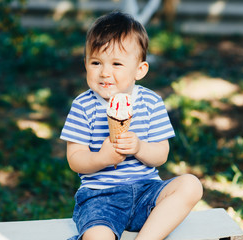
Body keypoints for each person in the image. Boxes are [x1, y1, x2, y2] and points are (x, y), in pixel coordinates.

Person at [60, 11, 203, 240]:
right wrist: (102, 158)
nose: (105, 72)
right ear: (85, 63)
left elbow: (161, 154)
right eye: (96, 62)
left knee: (191, 184)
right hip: (100, 197)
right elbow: (75, 158)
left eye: (116, 63)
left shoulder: (151, 102)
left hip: (147, 192)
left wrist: (139, 148)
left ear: (140, 70)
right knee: (97, 236)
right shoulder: (82, 105)